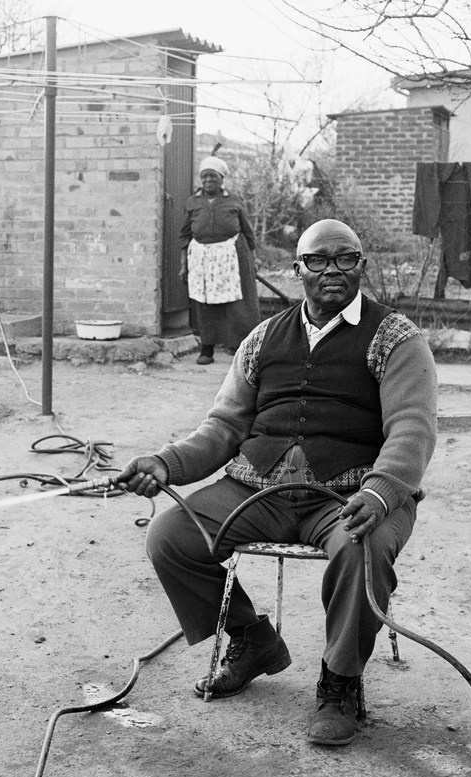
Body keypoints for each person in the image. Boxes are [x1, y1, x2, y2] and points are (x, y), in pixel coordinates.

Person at [121, 219, 438, 746]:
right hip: (257, 489)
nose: (332, 269)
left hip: (351, 496)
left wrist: (382, 492)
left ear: (362, 266)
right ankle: (251, 637)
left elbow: (413, 427)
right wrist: (166, 463)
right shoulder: (263, 337)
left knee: (362, 546)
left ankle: (340, 682)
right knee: (170, 537)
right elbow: (223, 428)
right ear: (297, 270)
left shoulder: (396, 337)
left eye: (346, 258)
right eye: (318, 260)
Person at [180, 154, 261, 365]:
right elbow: (185, 235)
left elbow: (247, 230)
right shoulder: (193, 202)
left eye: (213, 177)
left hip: (232, 255)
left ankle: (244, 350)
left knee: (239, 304)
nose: (208, 181)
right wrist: (183, 265)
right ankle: (207, 350)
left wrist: (253, 257)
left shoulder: (234, 200)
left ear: (221, 179)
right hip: (201, 259)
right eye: (205, 177)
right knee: (204, 303)